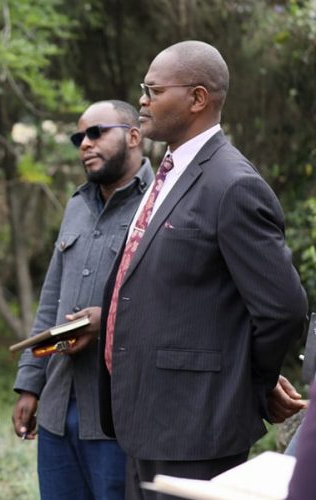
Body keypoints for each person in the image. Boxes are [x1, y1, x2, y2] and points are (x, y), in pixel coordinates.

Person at [97, 41, 308, 498]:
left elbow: (284, 309)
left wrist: (246, 384)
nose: (142, 100)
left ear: (197, 98)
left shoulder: (233, 185)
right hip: (145, 419)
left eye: (153, 89)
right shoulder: (168, 173)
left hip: (196, 427)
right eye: (143, 89)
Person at [12, 100, 153, 499]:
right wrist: (29, 385)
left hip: (117, 412)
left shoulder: (159, 204)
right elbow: (51, 298)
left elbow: (170, 303)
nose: (85, 144)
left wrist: (107, 318)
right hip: (59, 407)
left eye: (96, 132)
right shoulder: (76, 205)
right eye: (79, 137)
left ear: (134, 136)